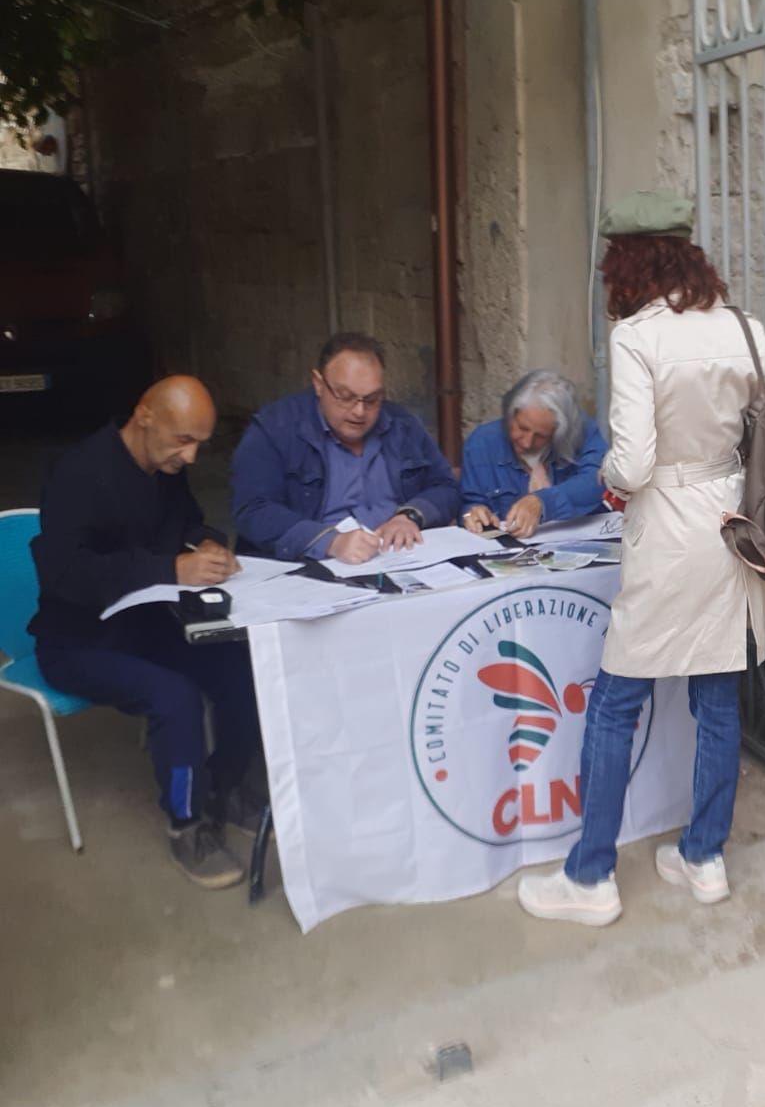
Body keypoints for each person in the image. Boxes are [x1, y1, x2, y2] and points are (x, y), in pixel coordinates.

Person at [518, 190, 765, 927]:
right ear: (689, 252)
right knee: (717, 700)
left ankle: (591, 875)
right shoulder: (744, 327)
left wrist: (606, 479)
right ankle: (704, 858)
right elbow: (764, 424)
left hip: (667, 532)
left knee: (614, 704)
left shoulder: (636, 336)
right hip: (732, 526)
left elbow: (630, 465)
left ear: (626, 263)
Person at [31, 376, 262, 888]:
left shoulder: (165, 467)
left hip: (147, 624)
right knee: (174, 697)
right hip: (77, 640)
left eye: (200, 443)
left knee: (239, 665)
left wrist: (208, 545)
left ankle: (224, 786)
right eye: (184, 440)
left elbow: (187, 525)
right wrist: (171, 569)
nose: (191, 455)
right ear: (145, 416)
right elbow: (66, 574)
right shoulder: (77, 474)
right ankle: (187, 822)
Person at [230, 332, 460, 563]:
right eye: (345, 396)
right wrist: (330, 542)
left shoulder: (401, 425)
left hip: (398, 557)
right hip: (313, 564)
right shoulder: (275, 429)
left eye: (372, 399)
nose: (359, 411)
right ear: (318, 384)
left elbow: (446, 486)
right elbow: (253, 510)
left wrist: (409, 516)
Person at [460, 369, 608, 539]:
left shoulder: (582, 433)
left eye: (541, 436)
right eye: (522, 428)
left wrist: (543, 502)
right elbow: (469, 503)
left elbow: (597, 481)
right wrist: (473, 514)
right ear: (511, 415)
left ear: (559, 432)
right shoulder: (482, 443)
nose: (527, 442)